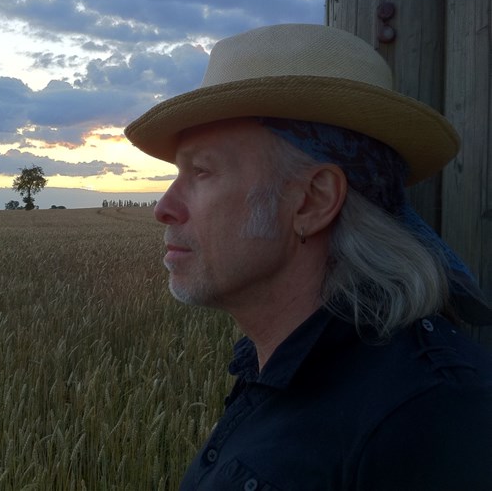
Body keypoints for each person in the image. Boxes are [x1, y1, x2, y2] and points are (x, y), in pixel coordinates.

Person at [125, 24, 492, 490]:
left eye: (201, 171)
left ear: (313, 201)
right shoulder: (276, 361)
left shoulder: (434, 420)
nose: (163, 208)